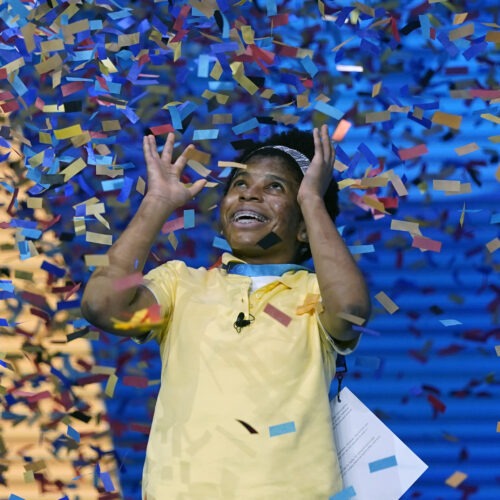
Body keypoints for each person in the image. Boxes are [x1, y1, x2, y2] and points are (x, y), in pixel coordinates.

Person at [81, 124, 371, 499]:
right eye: (239, 184)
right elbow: (102, 305)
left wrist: (313, 200)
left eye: (275, 187)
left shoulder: (318, 295)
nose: (250, 194)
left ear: (304, 227)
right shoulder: (180, 286)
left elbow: (350, 311)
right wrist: (157, 202)